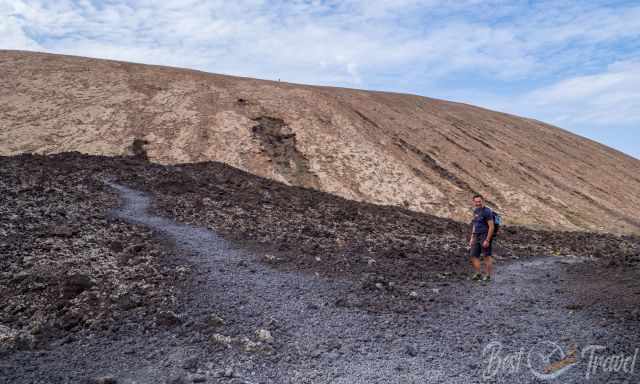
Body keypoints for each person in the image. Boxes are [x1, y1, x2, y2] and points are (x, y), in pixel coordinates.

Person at [468, 194, 495, 282]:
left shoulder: (487, 211)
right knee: (473, 255)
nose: (478, 203)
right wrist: (472, 237)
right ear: (473, 202)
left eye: (479, 201)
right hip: (476, 235)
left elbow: (491, 227)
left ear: (483, 201)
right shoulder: (476, 211)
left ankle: (488, 276)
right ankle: (478, 273)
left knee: (486, 256)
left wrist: (487, 239)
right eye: (476, 202)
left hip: (485, 235)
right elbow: (475, 225)